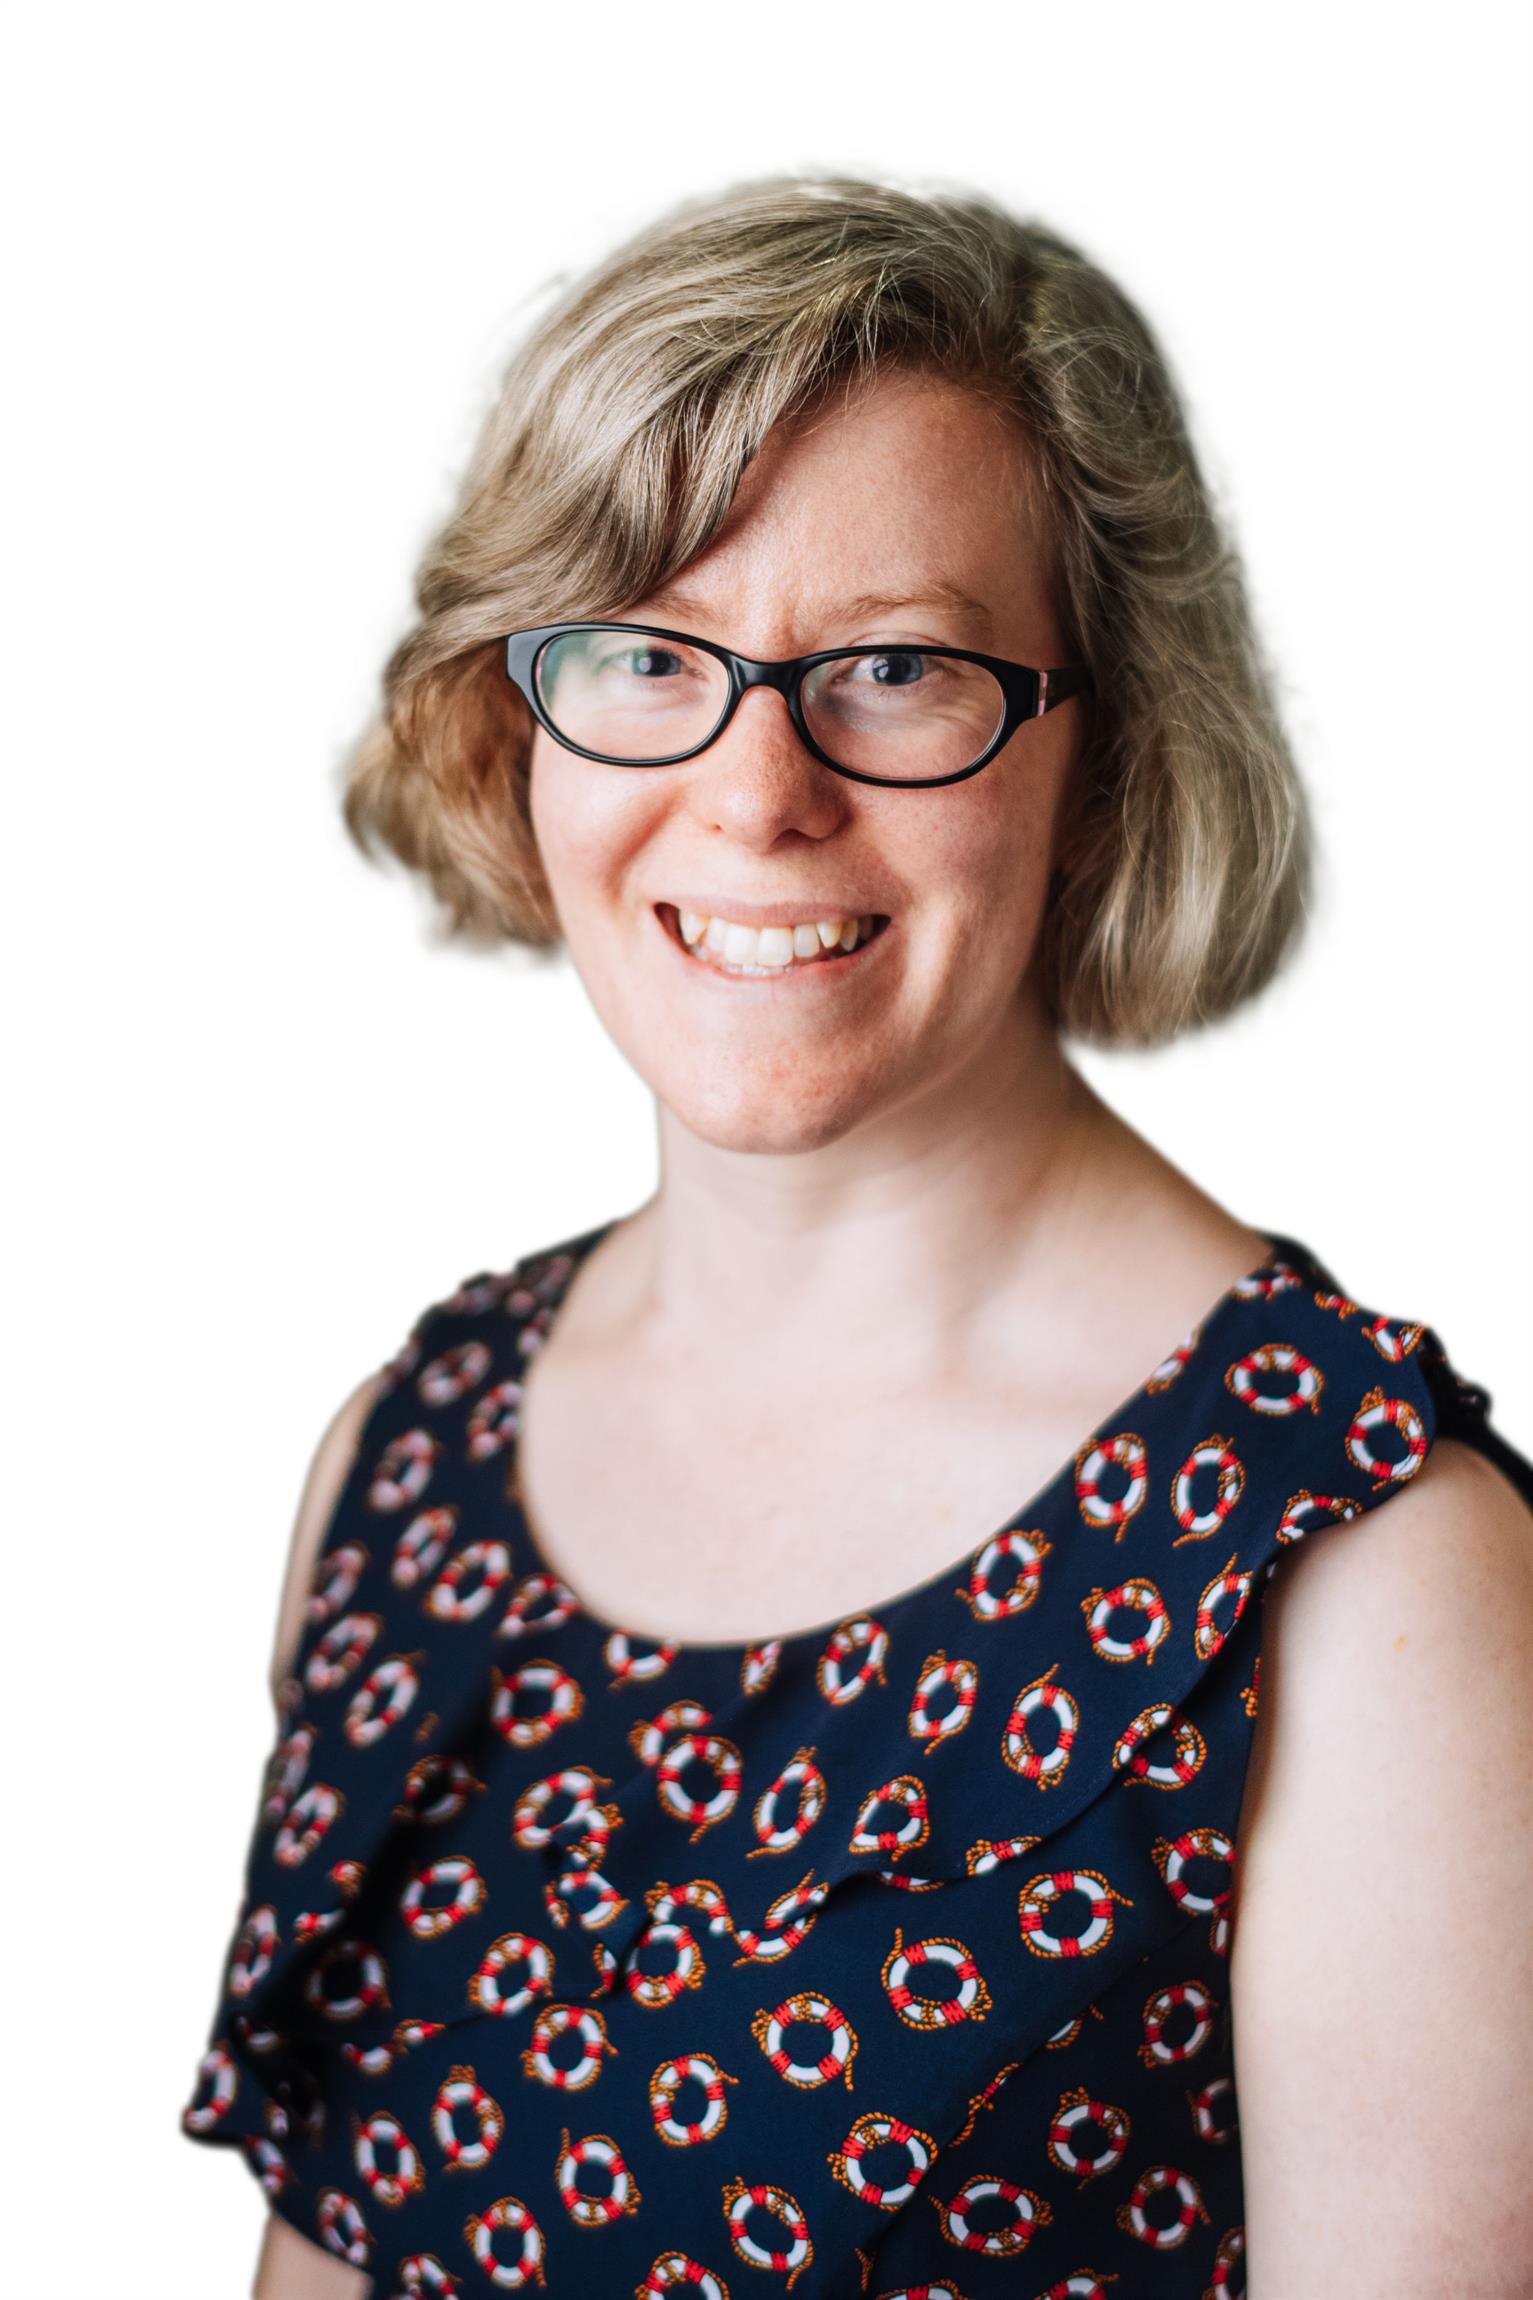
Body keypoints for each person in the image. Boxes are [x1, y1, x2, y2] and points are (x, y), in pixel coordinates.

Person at [181, 174, 1533, 2299]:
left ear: (1104, 745)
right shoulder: (403, 1460)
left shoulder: (1359, 1569)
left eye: (892, 668)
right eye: (643, 654)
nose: (753, 790)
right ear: (509, 719)